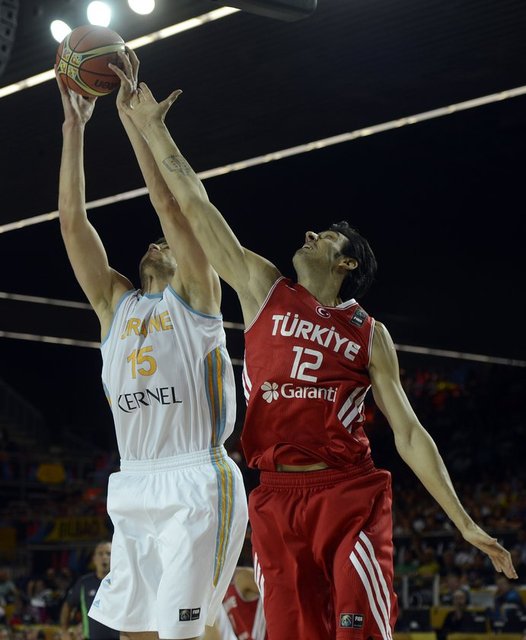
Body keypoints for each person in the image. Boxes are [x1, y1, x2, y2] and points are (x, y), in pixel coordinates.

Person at [112, 53, 518, 640]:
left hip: (347, 493)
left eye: (325, 236)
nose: (309, 234)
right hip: (275, 495)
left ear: (347, 263)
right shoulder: (263, 288)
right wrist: (153, 130)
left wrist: (464, 522)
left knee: (356, 630)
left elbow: (409, 432)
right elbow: (196, 206)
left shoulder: (369, 333)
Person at [55, 49, 248, 640]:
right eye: (155, 243)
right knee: (115, 629)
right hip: (134, 481)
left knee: (181, 633)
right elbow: (72, 222)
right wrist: (73, 131)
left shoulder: (196, 297)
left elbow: (169, 204)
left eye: (166, 244)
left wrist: (133, 123)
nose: (157, 243)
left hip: (197, 481)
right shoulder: (114, 306)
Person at [59, 541, 118, 640]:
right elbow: (68, 605)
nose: (104, 557)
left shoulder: (123, 582)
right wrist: (64, 631)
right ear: (94, 559)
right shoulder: (84, 583)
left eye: (109, 554)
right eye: (100, 554)